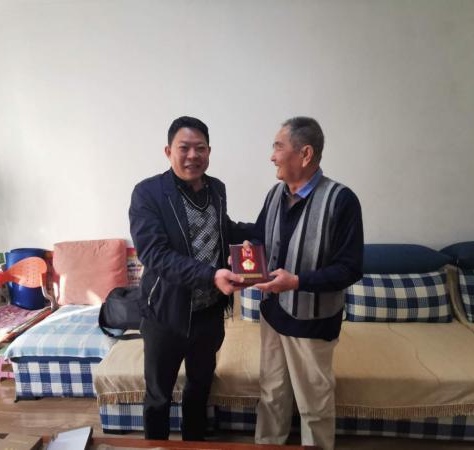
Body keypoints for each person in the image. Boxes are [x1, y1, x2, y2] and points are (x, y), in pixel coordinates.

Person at [249, 117, 364, 450]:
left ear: (305, 154)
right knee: (271, 396)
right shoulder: (275, 194)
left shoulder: (342, 200)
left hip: (313, 324)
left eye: (278, 147)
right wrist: (244, 259)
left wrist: (297, 282)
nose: (272, 156)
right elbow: (260, 238)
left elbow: (350, 268)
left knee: (314, 406)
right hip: (272, 316)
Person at [129, 116, 244, 441]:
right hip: (166, 314)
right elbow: (155, 254)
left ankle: (194, 444)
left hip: (209, 314)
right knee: (158, 395)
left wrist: (264, 231)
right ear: (169, 151)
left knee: (199, 387)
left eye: (200, 148)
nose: (193, 155)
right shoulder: (148, 193)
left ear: (209, 151)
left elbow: (222, 229)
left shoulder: (216, 188)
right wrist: (211, 275)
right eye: (184, 148)